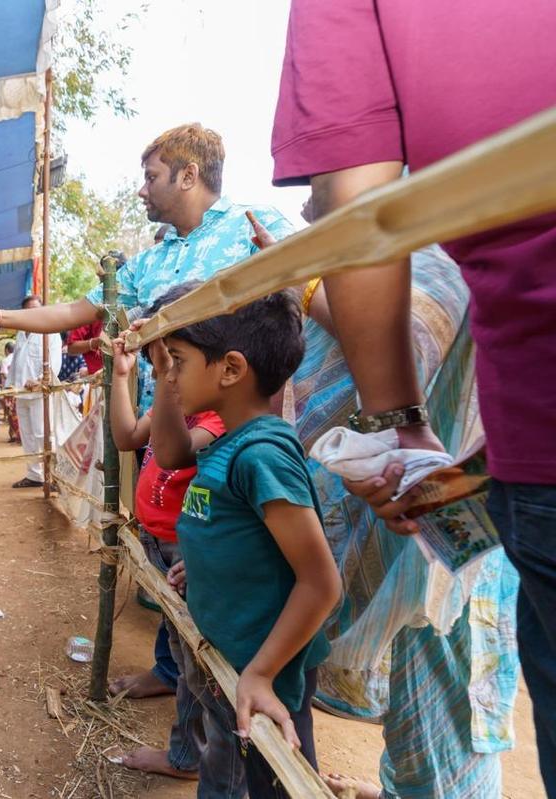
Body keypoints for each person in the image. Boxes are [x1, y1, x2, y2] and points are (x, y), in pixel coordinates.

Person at [271, 5, 556, 793]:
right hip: (481, 488)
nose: (306, 205)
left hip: (463, 525)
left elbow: (412, 319)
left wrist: (307, 287)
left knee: (449, 711)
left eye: (312, 195)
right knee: (421, 719)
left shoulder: (420, 250)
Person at [147, 282, 341, 798]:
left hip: (266, 671)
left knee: (274, 781)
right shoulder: (230, 443)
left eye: (178, 362)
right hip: (237, 660)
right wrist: (206, 563)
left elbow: (321, 583)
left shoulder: (261, 455)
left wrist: (260, 674)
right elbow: (238, 530)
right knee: (233, 768)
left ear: (231, 369)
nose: (170, 375)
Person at [0, 124, 297, 410]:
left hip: (234, 435)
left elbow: (303, 307)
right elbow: (74, 311)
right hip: (160, 432)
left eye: (152, 177)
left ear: (188, 176)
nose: (142, 191)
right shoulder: (148, 262)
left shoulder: (256, 226)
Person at [106, 311, 230, 788]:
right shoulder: (173, 401)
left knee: (196, 661)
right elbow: (126, 437)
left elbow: (173, 451)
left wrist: (162, 376)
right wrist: (123, 376)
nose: (171, 370)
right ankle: (185, 738)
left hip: (185, 548)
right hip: (159, 540)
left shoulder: (213, 417)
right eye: (168, 359)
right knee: (178, 638)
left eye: (178, 360)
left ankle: (185, 756)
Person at [8, 296, 62, 489]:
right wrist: (9, 385)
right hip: (21, 393)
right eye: (28, 310)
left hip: (40, 393)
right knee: (28, 435)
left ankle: (54, 476)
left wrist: (40, 380)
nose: (33, 313)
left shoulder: (50, 332)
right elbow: (16, 362)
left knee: (44, 434)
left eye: (36, 309)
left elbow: (54, 362)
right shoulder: (21, 333)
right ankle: (34, 475)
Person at [0, 342, 20, 443]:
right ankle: (16, 434)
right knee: (18, 413)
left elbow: (4, 375)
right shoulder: (19, 358)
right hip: (19, 390)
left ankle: (14, 434)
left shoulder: (5, 360)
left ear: (6, 350)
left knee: (11, 414)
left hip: (9, 391)